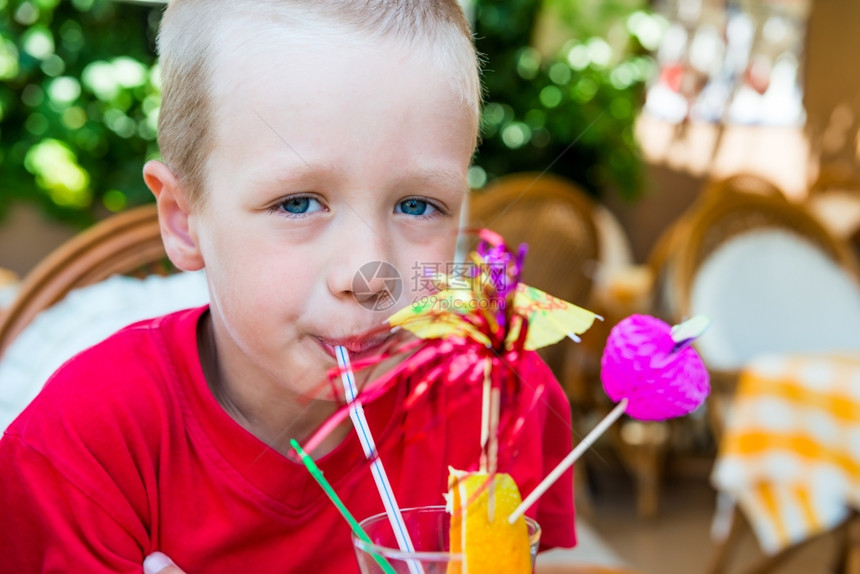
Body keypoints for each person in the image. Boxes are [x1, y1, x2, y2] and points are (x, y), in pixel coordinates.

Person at [0, 1, 576, 572]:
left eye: (418, 204)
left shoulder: (500, 401)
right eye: (298, 203)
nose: (368, 273)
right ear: (184, 218)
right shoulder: (80, 449)